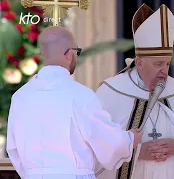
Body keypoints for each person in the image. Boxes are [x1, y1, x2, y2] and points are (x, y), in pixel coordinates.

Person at [94, 3, 174, 179]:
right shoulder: (112, 91)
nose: (164, 71)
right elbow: (98, 144)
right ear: (139, 62)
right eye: (158, 64)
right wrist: (133, 151)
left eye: (167, 63)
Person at [6, 26, 142, 179]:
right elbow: (109, 142)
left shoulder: (20, 97)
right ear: (70, 54)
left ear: (43, 54)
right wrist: (130, 139)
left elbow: (13, 149)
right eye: (77, 52)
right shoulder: (81, 95)